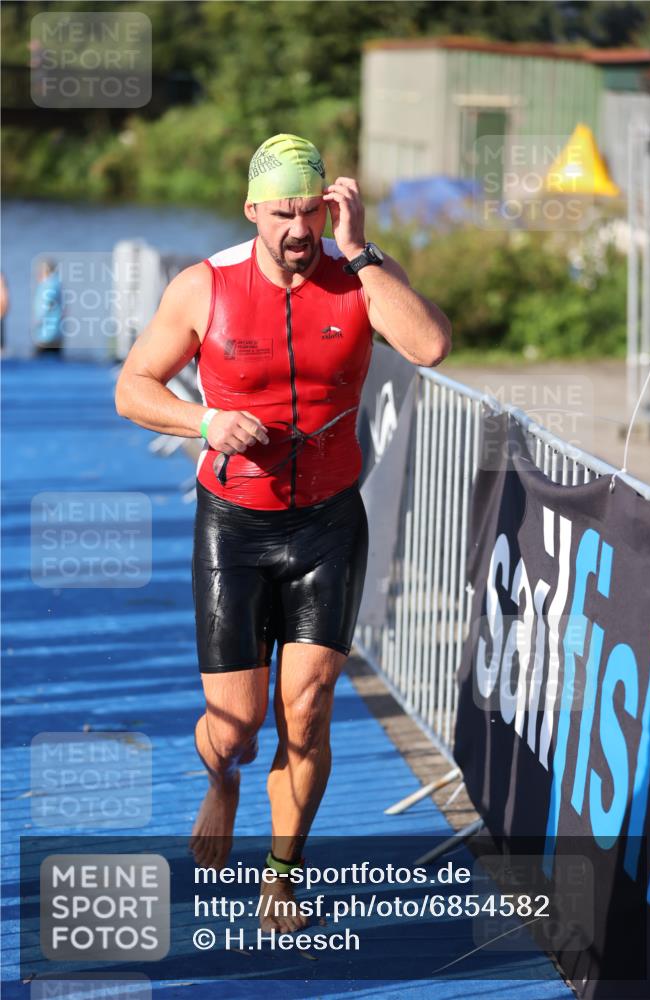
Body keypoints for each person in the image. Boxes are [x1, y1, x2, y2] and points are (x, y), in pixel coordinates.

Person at [115, 133, 451, 934]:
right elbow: (132, 388)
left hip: (328, 521)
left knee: (309, 710)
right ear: (251, 211)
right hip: (234, 523)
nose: (297, 229)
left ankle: (282, 875)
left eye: (309, 211)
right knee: (234, 727)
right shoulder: (205, 287)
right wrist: (203, 419)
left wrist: (362, 247)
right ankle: (224, 780)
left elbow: (431, 345)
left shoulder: (359, 276)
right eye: (280, 214)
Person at [33, 259, 64, 356]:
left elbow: (46, 304)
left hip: (47, 334)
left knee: (41, 363)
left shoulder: (49, 285)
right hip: (56, 332)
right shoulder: (57, 283)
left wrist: (38, 321)